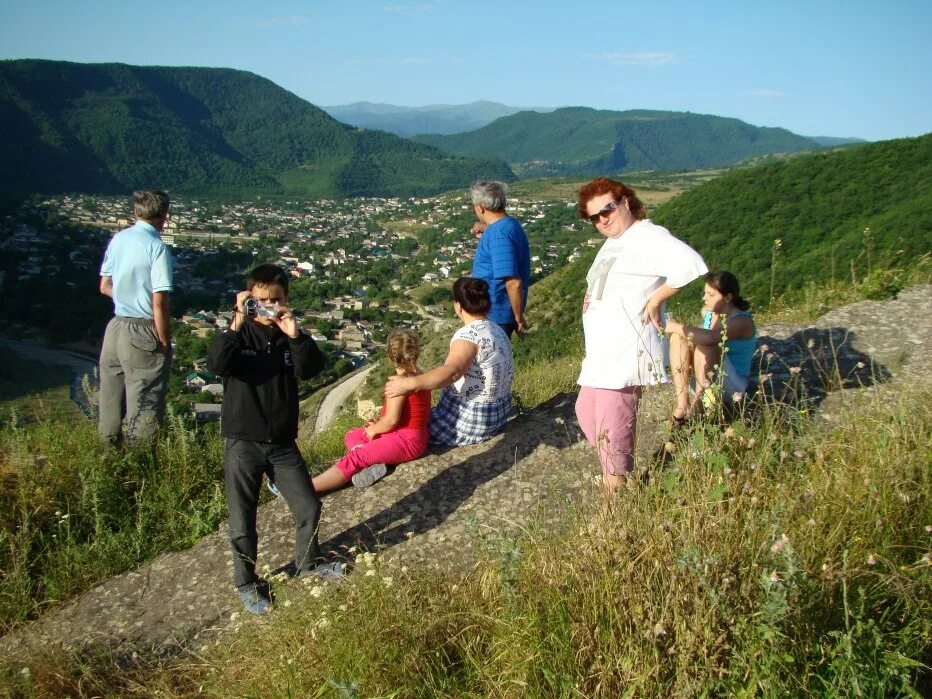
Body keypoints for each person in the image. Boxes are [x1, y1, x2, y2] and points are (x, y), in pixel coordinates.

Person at [208, 264, 341, 615]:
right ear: (249, 298)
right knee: (242, 520)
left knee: (308, 505)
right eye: (261, 300)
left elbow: (311, 368)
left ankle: (307, 564)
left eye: (276, 299)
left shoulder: (288, 336)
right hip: (243, 441)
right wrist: (237, 320)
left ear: (286, 298)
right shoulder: (239, 336)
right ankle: (246, 583)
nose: (269, 305)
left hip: (282, 442)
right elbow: (217, 363)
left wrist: (295, 334)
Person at [576, 178, 707, 492]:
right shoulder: (616, 240)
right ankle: (617, 472)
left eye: (607, 209)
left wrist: (657, 298)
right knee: (585, 410)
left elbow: (691, 264)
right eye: (593, 217)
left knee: (613, 426)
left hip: (624, 354)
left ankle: (616, 494)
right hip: (601, 355)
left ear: (624, 201)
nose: (602, 219)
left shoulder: (647, 235)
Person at [385, 277, 513, 446]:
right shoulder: (496, 329)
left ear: (458, 306)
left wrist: (410, 383)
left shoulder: (468, 336)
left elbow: (453, 372)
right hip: (499, 412)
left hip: (473, 418)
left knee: (406, 430)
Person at [311, 329, 431, 494]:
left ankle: (307, 488)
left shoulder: (398, 383)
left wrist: (373, 429)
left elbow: (391, 421)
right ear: (416, 353)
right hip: (412, 435)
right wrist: (377, 424)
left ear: (389, 357)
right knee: (352, 435)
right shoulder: (419, 375)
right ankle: (376, 462)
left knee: (356, 456)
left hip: (406, 440)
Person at [98, 190, 174, 446]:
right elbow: (159, 300)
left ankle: (107, 457)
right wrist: (164, 339)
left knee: (110, 398)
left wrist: (125, 297)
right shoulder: (157, 248)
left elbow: (104, 285)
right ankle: (139, 466)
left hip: (116, 325)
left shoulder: (118, 239)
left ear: (136, 212)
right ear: (164, 215)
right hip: (143, 328)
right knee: (145, 403)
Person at [664, 271, 757, 422]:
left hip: (733, 386)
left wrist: (673, 325)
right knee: (678, 338)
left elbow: (711, 338)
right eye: (705, 293)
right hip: (709, 377)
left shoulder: (741, 321)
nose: (704, 298)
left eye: (711, 295)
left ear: (728, 297)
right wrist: (680, 333)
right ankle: (682, 406)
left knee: (705, 346)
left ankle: (698, 407)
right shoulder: (710, 313)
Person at [469, 181, 531, 338]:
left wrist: (518, 317)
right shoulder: (510, 225)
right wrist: (484, 227)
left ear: (481, 206)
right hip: (497, 313)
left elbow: (513, 283)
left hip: (495, 314)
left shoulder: (499, 236)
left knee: (492, 361)